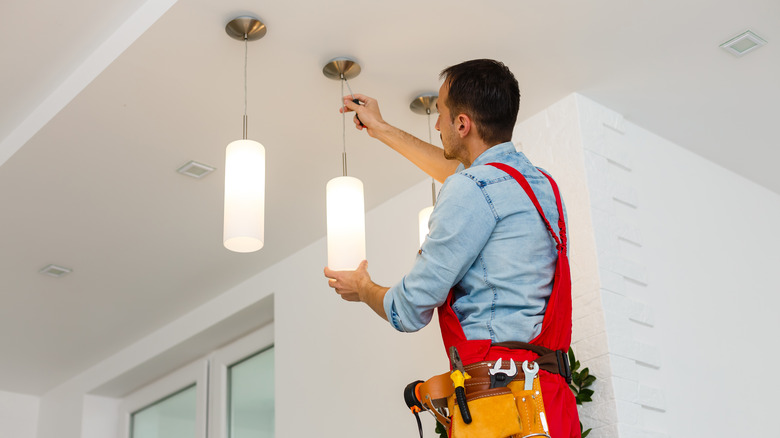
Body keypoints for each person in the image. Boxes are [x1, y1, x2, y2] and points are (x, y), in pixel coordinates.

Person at [324, 59, 579, 437]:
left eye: (441, 114)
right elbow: (470, 178)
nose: (438, 125)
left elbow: (408, 310)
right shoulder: (543, 188)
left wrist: (363, 288)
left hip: (499, 408)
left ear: (463, 124)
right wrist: (381, 129)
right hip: (549, 403)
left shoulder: (472, 191)